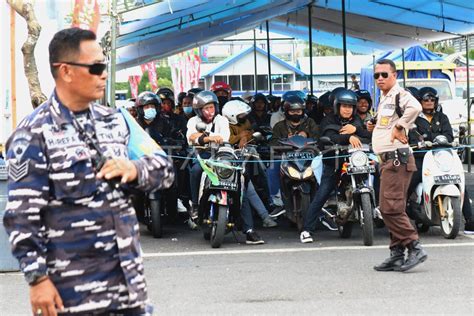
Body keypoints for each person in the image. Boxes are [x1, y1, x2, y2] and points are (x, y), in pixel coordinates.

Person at [3, 28, 175, 315]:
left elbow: (164, 168)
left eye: (104, 66)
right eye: (96, 68)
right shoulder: (33, 134)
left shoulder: (117, 121)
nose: (104, 74)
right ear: (66, 71)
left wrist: (134, 169)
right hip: (74, 295)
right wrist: (38, 279)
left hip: (129, 289)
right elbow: (21, 217)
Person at [370, 58, 427, 272]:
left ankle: (414, 246)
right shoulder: (385, 98)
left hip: (396, 159)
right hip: (388, 160)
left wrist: (402, 125)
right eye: (377, 75)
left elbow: (416, 107)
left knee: (389, 208)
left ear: (395, 75)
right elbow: (387, 123)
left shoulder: (400, 94)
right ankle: (396, 253)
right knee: (393, 207)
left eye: (385, 74)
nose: (380, 78)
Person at [300, 89, 371, 243]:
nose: (348, 109)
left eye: (350, 106)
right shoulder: (328, 120)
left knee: (377, 179)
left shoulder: (356, 120)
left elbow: (368, 136)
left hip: (355, 162)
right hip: (334, 162)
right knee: (322, 193)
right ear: (337, 106)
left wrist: (357, 130)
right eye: (344, 106)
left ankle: (378, 215)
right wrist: (350, 136)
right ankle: (306, 229)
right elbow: (330, 136)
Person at [407, 87, 474, 233]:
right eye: (426, 99)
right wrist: (420, 144)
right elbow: (411, 137)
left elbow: (449, 135)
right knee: (410, 181)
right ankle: (402, 214)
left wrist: (442, 140)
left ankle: (469, 221)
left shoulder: (442, 118)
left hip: (442, 156)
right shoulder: (414, 119)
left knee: (457, 179)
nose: (429, 102)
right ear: (420, 101)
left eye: (432, 100)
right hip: (422, 157)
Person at [222, 99, 278, 227]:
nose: (244, 117)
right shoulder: (223, 124)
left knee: (248, 186)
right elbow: (226, 139)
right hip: (225, 161)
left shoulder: (245, 122)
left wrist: (244, 137)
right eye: (240, 115)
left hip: (242, 160)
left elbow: (251, 134)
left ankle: (265, 215)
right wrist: (240, 136)